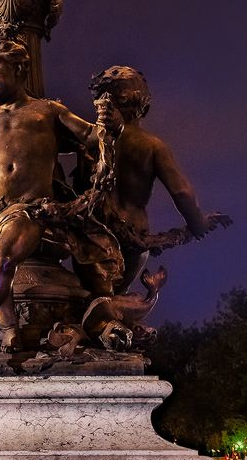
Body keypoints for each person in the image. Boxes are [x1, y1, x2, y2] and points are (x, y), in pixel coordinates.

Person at [0, 29, 122, 355]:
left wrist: (110, 124)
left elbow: (91, 137)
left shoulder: (48, 111)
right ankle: (10, 330)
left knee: (2, 261)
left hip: (29, 206)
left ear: (19, 68)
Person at [84, 66, 215, 293]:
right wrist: (198, 223)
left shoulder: (89, 137)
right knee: (114, 298)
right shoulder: (152, 146)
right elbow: (181, 192)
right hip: (133, 239)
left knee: (92, 298)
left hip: (90, 234)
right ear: (139, 100)